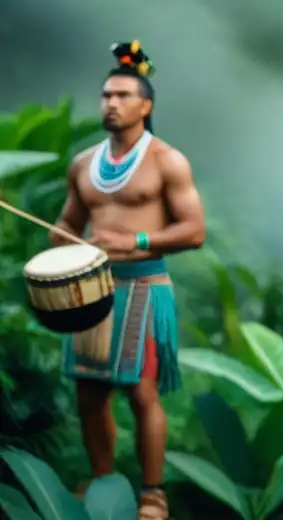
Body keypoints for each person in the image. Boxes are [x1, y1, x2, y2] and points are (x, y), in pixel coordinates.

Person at [51, 41, 206, 520]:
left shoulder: (166, 160)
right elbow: (66, 225)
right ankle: (102, 479)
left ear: (146, 105)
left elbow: (194, 231)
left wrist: (137, 240)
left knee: (141, 392)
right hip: (90, 289)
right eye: (105, 96)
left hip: (143, 285)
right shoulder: (84, 164)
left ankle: (152, 493)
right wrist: (61, 244)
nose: (111, 104)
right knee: (89, 392)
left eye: (122, 95)